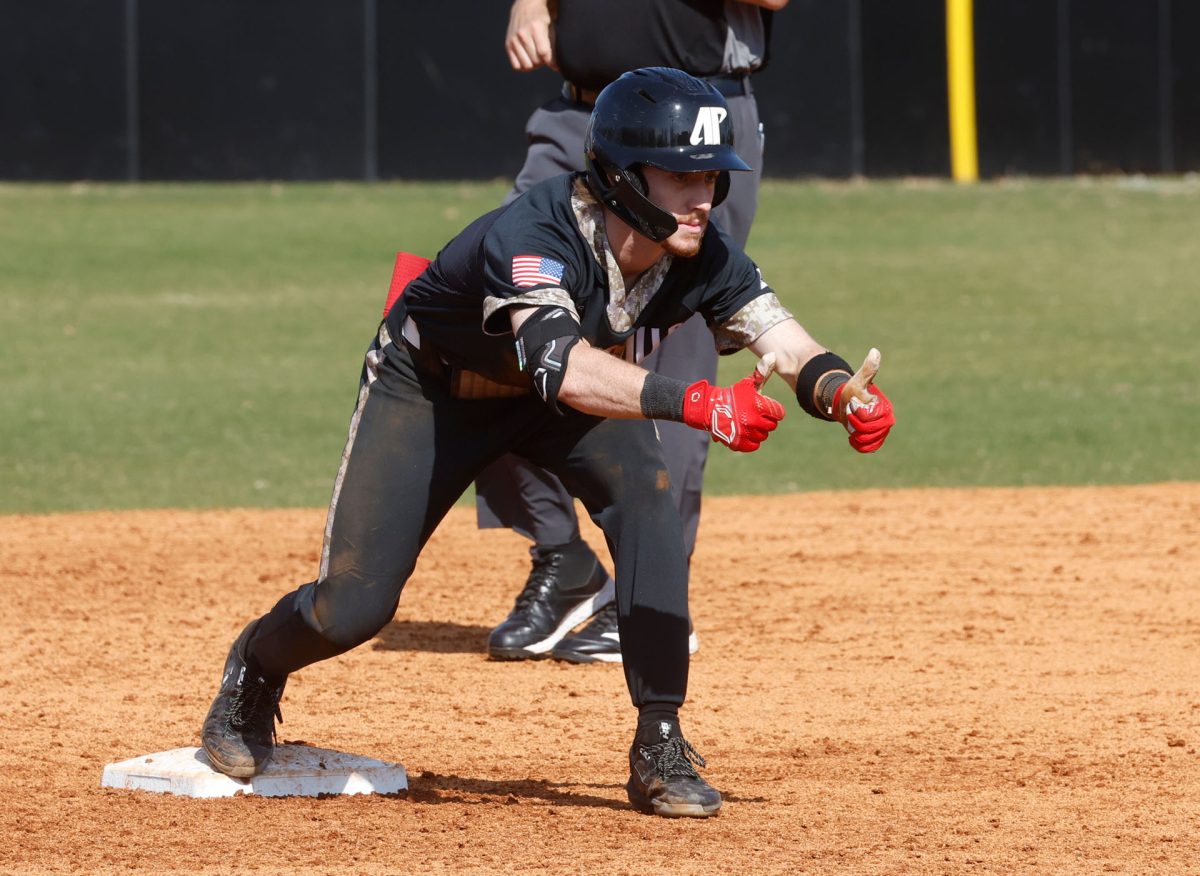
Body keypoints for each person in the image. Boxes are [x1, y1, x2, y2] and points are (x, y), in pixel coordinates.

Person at [199, 68, 894, 818]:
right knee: (354, 610)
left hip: (560, 394)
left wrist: (838, 391)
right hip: (437, 387)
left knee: (647, 496)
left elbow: (778, 337)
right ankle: (255, 668)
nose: (705, 195)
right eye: (682, 175)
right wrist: (694, 401)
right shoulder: (535, 231)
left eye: (713, 177)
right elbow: (560, 368)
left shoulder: (697, 249)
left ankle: (660, 740)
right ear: (624, 178)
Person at [484, 0, 792, 665]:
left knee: (670, 349)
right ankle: (561, 558)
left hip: (694, 128)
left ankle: (654, 601)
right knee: (483, 322)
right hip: (581, 118)